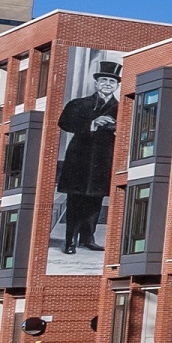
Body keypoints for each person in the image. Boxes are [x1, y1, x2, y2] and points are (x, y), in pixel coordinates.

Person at [56, 58, 121, 255]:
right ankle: (70, 242)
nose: (107, 85)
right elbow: (64, 123)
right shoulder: (80, 103)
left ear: (117, 85)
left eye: (111, 82)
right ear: (96, 83)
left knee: (95, 201)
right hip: (79, 160)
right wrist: (93, 123)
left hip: (104, 160)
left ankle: (88, 239)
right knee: (75, 201)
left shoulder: (122, 108)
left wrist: (117, 128)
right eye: (103, 81)